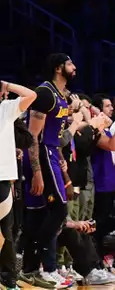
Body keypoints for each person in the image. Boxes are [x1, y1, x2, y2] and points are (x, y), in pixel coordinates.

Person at [21, 53, 78, 288]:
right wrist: (36, 172)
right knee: (59, 211)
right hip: (42, 154)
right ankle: (48, 267)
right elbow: (33, 135)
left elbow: (56, 131)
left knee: (40, 215)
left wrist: (62, 160)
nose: (74, 67)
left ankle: (30, 268)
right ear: (58, 68)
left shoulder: (59, 96)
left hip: (53, 154)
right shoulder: (45, 93)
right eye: (69, 63)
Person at [0, 80, 37, 290]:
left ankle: (7, 278)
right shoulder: (5, 108)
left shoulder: (5, 109)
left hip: (2, 178)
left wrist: (6, 85)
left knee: (6, 232)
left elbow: (31, 95)